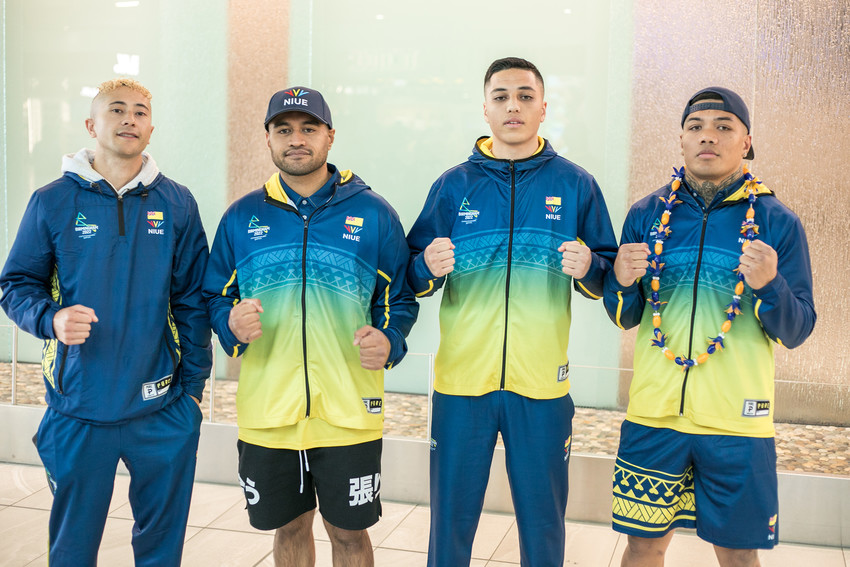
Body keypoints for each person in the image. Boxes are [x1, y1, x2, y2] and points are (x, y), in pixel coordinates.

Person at [406, 57, 619, 566]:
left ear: (544, 108)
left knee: (544, 524)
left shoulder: (576, 185)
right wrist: (426, 268)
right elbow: (410, 270)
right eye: (501, 97)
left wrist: (590, 265)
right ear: (485, 109)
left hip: (542, 386)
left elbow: (610, 277)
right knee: (450, 523)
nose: (513, 106)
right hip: (462, 385)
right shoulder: (453, 185)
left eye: (525, 96)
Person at [0, 78, 212, 566]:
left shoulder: (177, 203)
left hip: (161, 407)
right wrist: (50, 319)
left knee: (161, 547)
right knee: (73, 547)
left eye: (140, 112)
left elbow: (191, 301)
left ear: (151, 128)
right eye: (117, 110)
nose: (129, 119)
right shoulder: (52, 200)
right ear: (92, 125)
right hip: (78, 406)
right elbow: (16, 285)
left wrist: (194, 392)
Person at [203, 86, 418, 567]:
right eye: (284, 130)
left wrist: (390, 338)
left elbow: (398, 298)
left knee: (348, 534)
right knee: (289, 527)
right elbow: (214, 296)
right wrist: (229, 322)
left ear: (329, 136)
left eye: (308, 128)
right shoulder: (241, 217)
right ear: (268, 139)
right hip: (268, 410)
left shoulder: (373, 212)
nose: (296, 139)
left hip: (347, 409)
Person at [603, 87, 816, 567]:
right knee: (642, 547)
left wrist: (770, 285)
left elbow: (797, 329)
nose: (708, 137)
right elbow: (625, 316)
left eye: (724, 127)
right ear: (680, 139)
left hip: (738, 423)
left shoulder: (776, 222)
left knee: (739, 554)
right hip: (653, 416)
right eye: (696, 127)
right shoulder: (646, 214)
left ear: (746, 142)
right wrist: (619, 281)